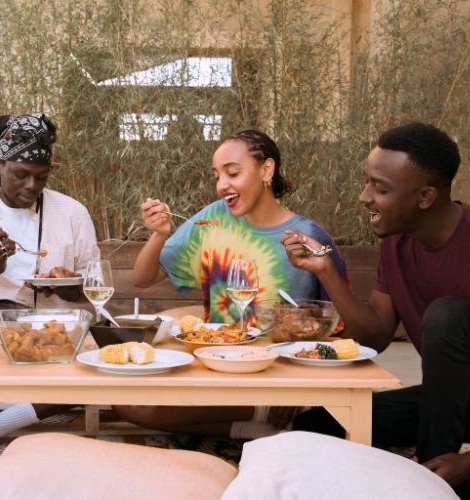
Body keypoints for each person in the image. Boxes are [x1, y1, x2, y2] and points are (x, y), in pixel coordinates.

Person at [282, 122, 470, 500]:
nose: (364, 196)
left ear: (425, 196)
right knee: (317, 424)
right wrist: (325, 270)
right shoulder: (398, 242)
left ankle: (436, 477)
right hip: (451, 401)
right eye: (367, 182)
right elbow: (374, 337)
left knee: (447, 315)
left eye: (380, 188)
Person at [118, 129, 348, 438]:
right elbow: (143, 278)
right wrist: (159, 234)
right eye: (217, 175)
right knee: (125, 403)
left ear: (266, 170)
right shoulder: (210, 221)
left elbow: (339, 323)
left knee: (142, 409)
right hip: (215, 366)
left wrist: (306, 387)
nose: (222, 185)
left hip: (281, 375)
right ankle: (260, 427)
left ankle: (275, 415)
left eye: (233, 173)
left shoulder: (311, 236)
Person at [0, 113, 99, 457]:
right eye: (21, 175)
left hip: (56, 326)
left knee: (97, 374)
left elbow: (96, 286)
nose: (31, 186)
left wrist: (72, 288)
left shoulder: (71, 213)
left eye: (41, 177)